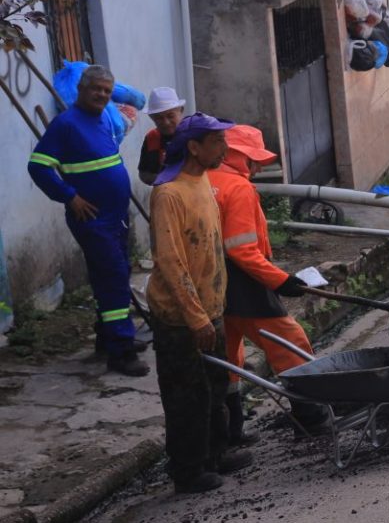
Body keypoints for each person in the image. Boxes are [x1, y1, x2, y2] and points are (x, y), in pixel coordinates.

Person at [147, 113, 251, 493]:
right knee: (186, 395)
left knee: (216, 385)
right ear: (193, 147)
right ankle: (188, 470)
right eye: (216, 143)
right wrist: (195, 317)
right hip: (180, 318)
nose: (224, 149)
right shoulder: (169, 193)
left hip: (211, 308)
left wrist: (214, 309)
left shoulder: (202, 181)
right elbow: (171, 262)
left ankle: (215, 453)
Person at [27, 64, 147, 376]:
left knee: (113, 275)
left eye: (107, 91)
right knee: (113, 277)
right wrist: (69, 196)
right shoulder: (66, 124)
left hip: (116, 216)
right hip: (93, 219)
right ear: (82, 88)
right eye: (97, 89)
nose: (102, 95)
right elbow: (39, 167)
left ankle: (109, 337)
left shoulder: (104, 119)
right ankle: (120, 351)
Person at [206, 125, 317, 443]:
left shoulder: (200, 180)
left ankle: (229, 430)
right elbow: (240, 248)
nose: (257, 168)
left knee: (228, 355)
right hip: (244, 283)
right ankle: (310, 413)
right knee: (289, 343)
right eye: (253, 160)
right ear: (237, 154)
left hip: (211, 285)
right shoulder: (237, 188)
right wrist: (281, 280)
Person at [138, 86, 185, 186]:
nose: (166, 122)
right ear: (151, 118)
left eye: (170, 116)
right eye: (159, 118)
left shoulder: (194, 135)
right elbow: (144, 173)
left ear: (181, 111)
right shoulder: (152, 138)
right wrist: (164, 180)